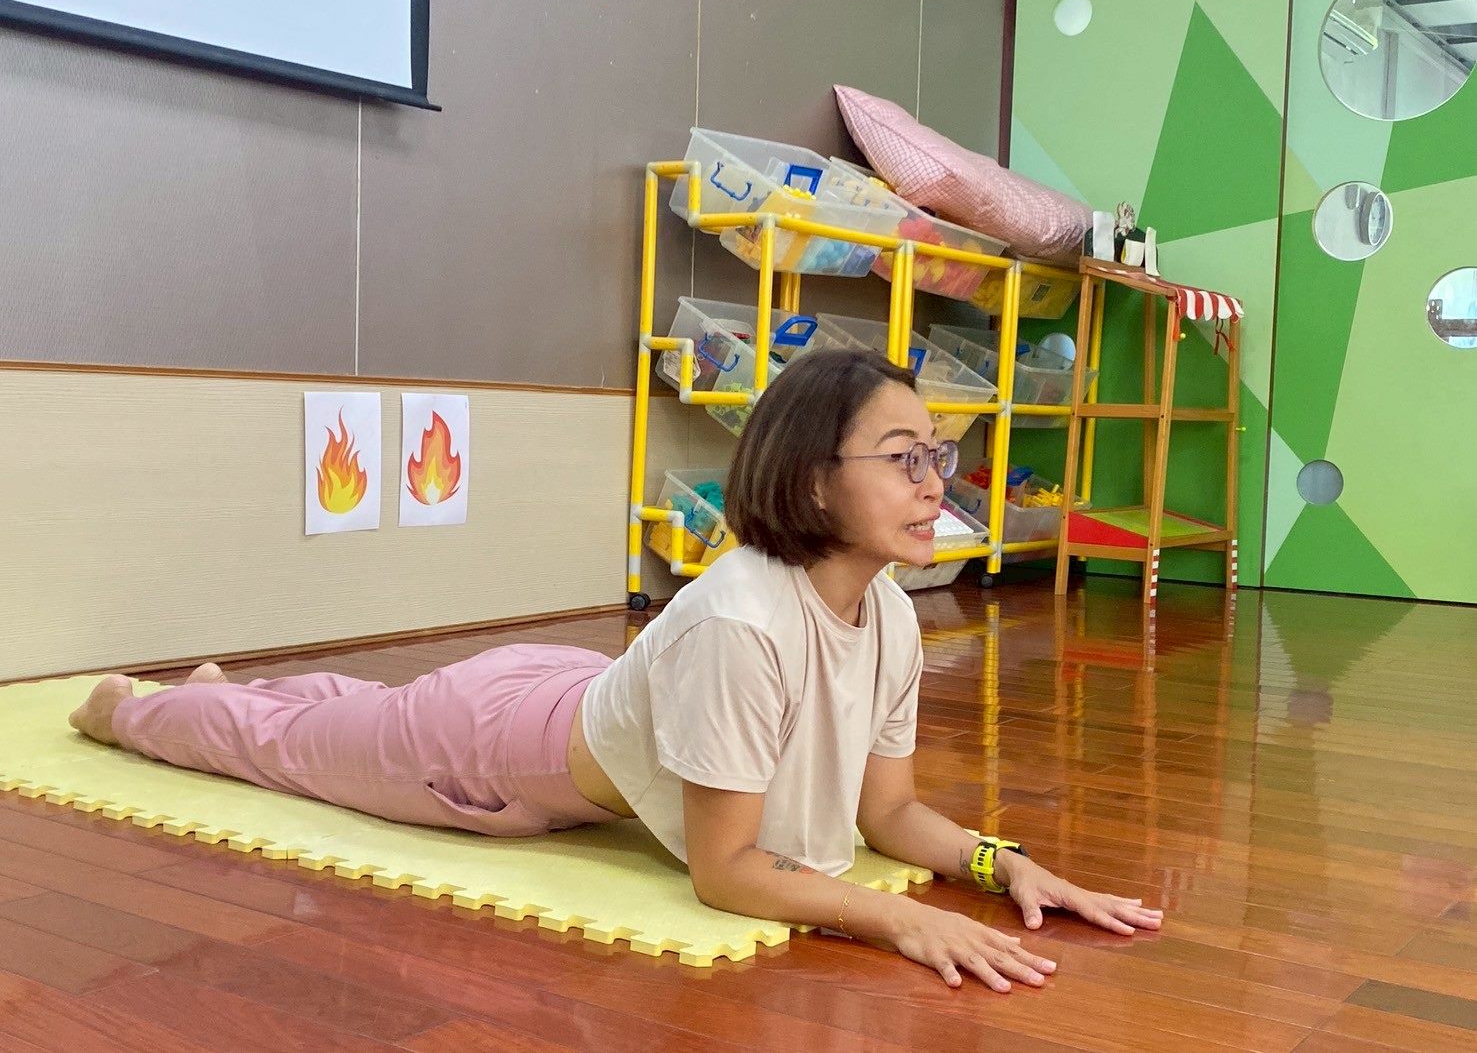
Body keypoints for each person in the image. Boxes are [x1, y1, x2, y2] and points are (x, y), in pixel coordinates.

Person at [69, 346, 1161, 990]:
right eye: (902, 457)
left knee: (353, 714)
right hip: (493, 754)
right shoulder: (741, 622)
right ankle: (129, 712)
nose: (933, 481)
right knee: (292, 749)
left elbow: (889, 812)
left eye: (937, 455)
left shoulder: (886, 614)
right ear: (811, 481)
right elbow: (727, 871)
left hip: (560, 694)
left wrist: (998, 865)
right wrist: (902, 920)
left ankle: (219, 693)